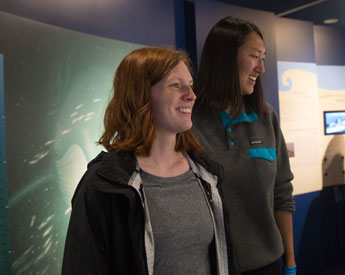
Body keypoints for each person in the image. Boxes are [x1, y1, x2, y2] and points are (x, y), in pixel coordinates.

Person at [62, 47, 237, 275]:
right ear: (140, 94)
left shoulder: (208, 175)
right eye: (176, 85)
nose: (191, 95)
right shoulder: (103, 184)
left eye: (190, 84)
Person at [192, 16, 296, 275]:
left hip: (266, 265)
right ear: (225, 58)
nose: (261, 68)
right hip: (209, 267)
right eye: (255, 56)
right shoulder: (188, 123)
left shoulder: (266, 116)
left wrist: (291, 265)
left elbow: (282, 195)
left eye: (264, 58)